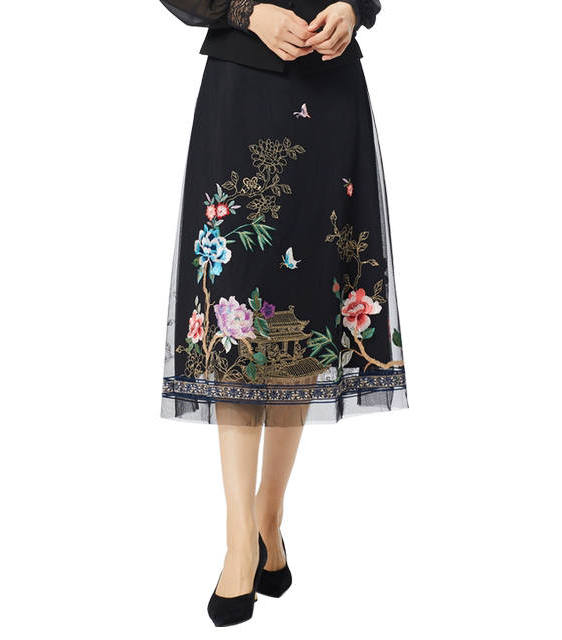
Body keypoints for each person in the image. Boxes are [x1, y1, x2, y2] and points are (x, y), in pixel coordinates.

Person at [156, 0, 408, 626]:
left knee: (305, 312)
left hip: (330, 94)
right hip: (244, 89)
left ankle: (269, 521)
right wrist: (247, 13)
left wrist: (353, 7)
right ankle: (240, 543)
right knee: (238, 322)